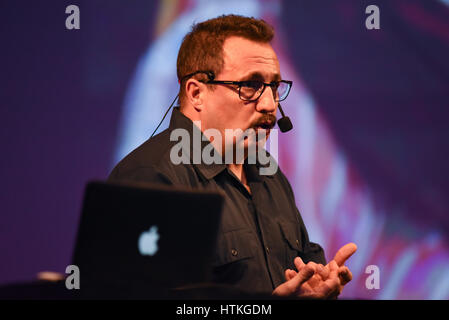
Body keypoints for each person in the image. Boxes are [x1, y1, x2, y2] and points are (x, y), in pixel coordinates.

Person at [108, 14, 357, 299]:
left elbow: (304, 263)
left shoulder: (268, 173)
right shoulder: (151, 177)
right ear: (197, 93)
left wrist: (315, 287)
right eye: (250, 86)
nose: (269, 105)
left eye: (274, 86)